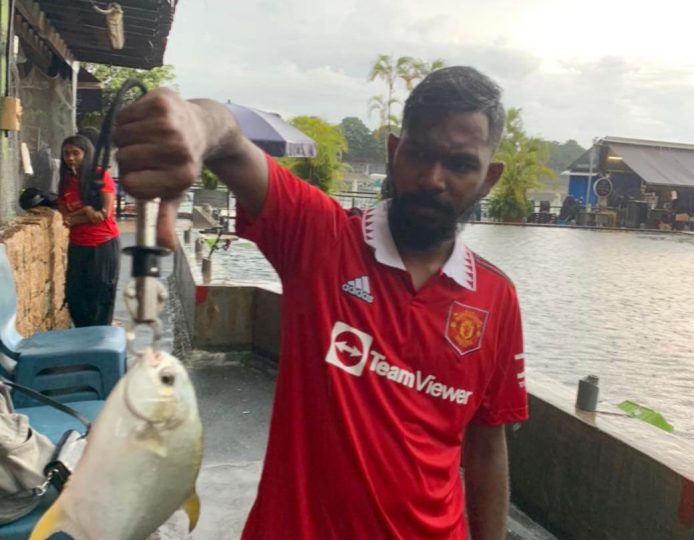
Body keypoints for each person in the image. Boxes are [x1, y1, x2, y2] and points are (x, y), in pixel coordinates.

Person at [114, 66, 528, 539]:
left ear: (488, 179)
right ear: (395, 152)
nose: (433, 179)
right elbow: (230, 141)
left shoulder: (497, 298)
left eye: (459, 165)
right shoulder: (322, 238)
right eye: (420, 154)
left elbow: (487, 444)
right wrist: (194, 123)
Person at [57, 135, 120, 327]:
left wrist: (77, 216)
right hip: (78, 244)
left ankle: (99, 339)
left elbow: (104, 214)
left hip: (103, 244)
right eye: (67, 153)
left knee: (100, 294)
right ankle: (84, 336)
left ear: (87, 154)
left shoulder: (100, 177)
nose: (71, 158)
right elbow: (66, 218)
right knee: (74, 295)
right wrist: (86, 211)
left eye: (76, 153)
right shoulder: (65, 182)